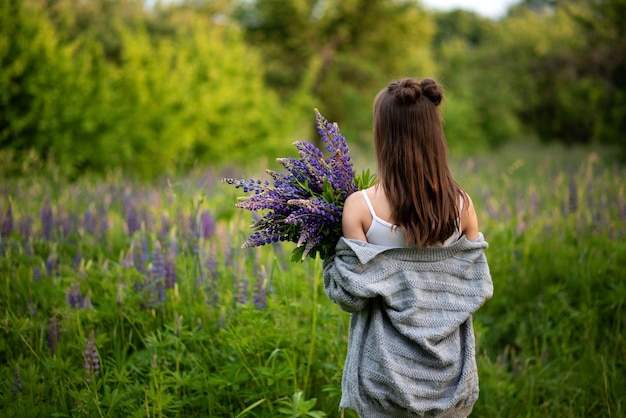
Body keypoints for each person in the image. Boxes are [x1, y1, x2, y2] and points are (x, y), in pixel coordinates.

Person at [323, 77, 493, 418]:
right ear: (434, 136)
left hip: (384, 383)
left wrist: (331, 254)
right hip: (451, 382)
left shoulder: (360, 208)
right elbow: (475, 286)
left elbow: (349, 295)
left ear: (383, 136)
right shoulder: (463, 206)